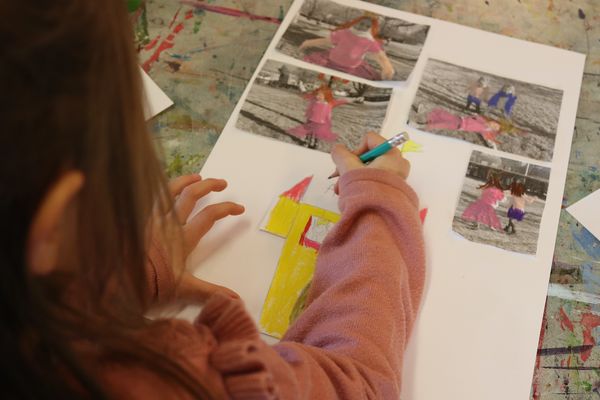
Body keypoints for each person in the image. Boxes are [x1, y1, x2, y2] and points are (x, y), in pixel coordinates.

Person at [1, 2, 425, 399]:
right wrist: (379, 199)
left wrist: (117, 281)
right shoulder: (172, 378)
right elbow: (354, 383)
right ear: (52, 227)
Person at [299, 15, 395, 80]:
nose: (362, 27)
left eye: (367, 26)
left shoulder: (370, 41)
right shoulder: (344, 33)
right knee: (323, 76)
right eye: (361, 23)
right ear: (356, 22)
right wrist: (307, 43)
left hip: (350, 68)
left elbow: (381, 57)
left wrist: (388, 69)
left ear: (370, 28)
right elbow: (325, 41)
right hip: (331, 62)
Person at [288, 84, 349, 149]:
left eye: (320, 95)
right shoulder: (313, 99)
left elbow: (340, 102)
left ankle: (315, 144)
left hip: (321, 121)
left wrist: (354, 99)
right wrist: (301, 86)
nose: (317, 96)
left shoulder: (328, 103)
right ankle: (306, 142)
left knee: (317, 133)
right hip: (311, 119)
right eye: (317, 94)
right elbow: (305, 93)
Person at [425, 107, 503, 148]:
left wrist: (493, 143)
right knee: (445, 117)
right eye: (495, 124)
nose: (493, 125)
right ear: (494, 121)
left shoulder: (484, 129)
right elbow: (477, 116)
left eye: (494, 127)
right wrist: (475, 115)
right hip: (460, 120)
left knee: (444, 124)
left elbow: (487, 137)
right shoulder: (483, 120)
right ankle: (431, 118)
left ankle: (428, 125)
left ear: (492, 129)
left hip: (460, 126)